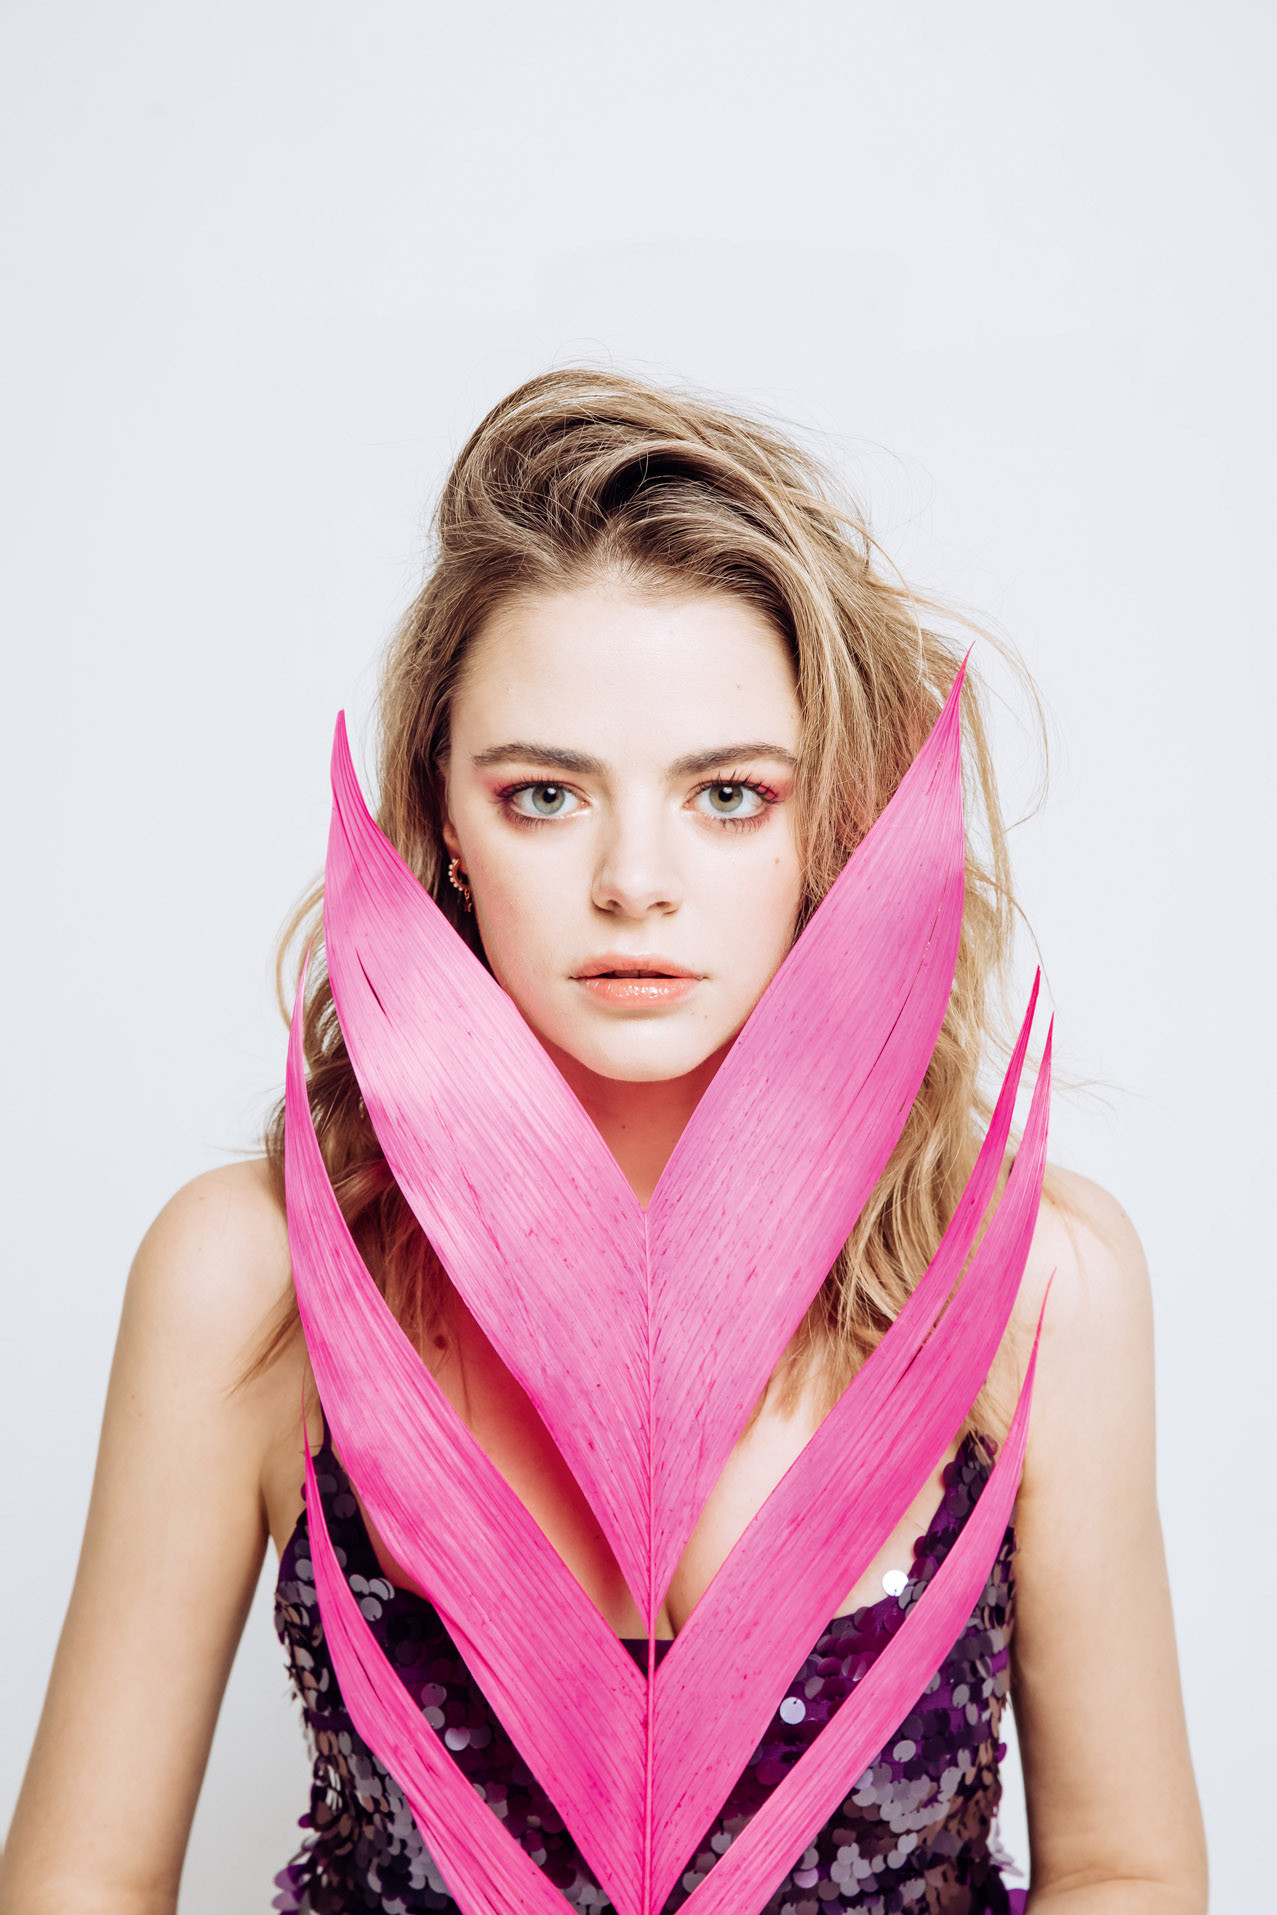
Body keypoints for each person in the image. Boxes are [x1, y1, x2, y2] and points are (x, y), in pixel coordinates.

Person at [0, 371, 1207, 1915]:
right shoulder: (252, 1274)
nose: (635, 880)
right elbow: (83, 1884)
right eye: (545, 795)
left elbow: (1123, 1869)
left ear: (831, 820)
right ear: (444, 821)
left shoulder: (1030, 1277)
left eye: (727, 795)